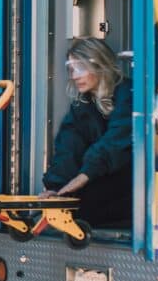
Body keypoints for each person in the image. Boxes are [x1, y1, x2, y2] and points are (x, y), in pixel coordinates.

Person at [39, 37, 132, 226]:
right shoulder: (82, 106)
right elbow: (68, 148)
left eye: (80, 68)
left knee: (88, 204)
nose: (74, 76)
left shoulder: (128, 93)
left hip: (127, 189)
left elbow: (115, 144)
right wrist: (56, 188)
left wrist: (81, 179)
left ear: (100, 64)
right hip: (101, 185)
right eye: (71, 69)